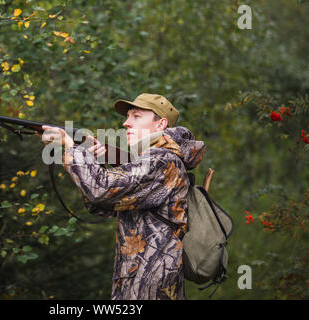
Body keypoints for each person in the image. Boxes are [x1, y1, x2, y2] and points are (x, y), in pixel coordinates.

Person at [40, 93, 206, 300]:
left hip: (149, 286)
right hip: (137, 280)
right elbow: (100, 204)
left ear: (160, 124)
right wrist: (93, 159)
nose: (126, 123)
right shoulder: (152, 159)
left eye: (136, 116)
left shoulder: (162, 160)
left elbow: (100, 190)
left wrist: (71, 148)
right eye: (128, 116)